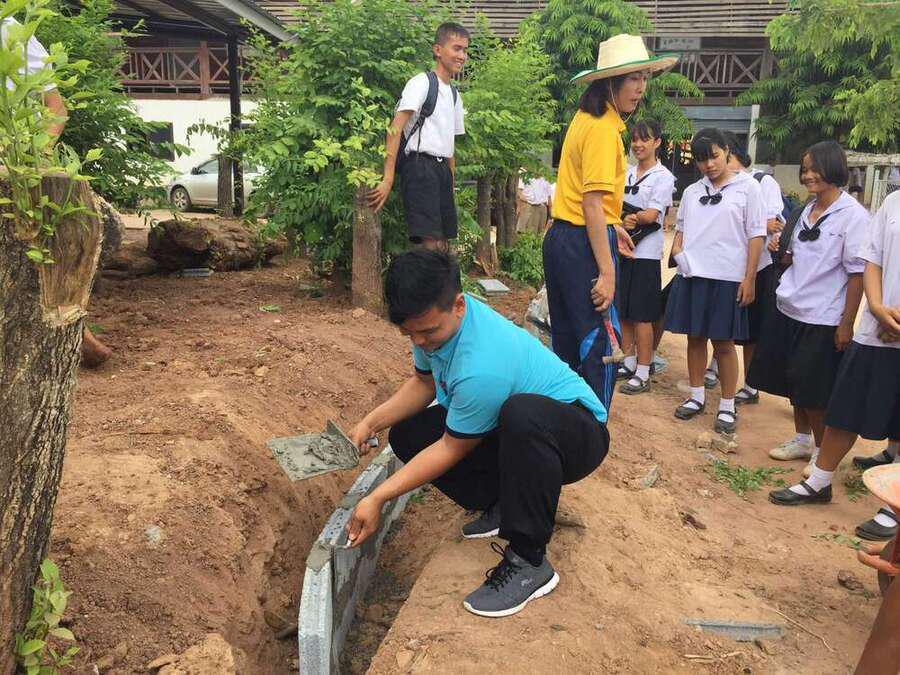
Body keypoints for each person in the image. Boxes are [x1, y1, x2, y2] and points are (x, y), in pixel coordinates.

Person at [344, 250, 611, 618]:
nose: (419, 341)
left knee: (521, 413)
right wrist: (371, 423)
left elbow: (451, 448)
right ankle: (503, 505)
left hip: (576, 434)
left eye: (427, 332)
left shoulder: (482, 365)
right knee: (407, 435)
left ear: (458, 305)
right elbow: (423, 384)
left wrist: (378, 497)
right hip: (521, 431)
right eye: (409, 333)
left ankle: (530, 561)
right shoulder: (436, 327)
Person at [542, 34, 677, 411]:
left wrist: (612, 225)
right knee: (599, 343)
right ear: (610, 82)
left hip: (563, 237)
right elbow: (591, 203)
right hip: (582, 242)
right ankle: (592, 424)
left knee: (568, 342)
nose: (641, 87)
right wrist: (607, 271)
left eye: (644, 77)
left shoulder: (585, 119)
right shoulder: (603, 130)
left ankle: (565, 421)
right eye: (633, 78)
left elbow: (583, 195)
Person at [768, 190, 897, 538]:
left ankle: (894, 507)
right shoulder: (893, 202)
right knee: (845, 409)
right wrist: (877, 308)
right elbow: (872, 261)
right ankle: (819, 482)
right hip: (875, 328)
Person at [749, 140, 868, 479]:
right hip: (790, 306)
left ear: (834, 168)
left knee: (815, 391)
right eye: (805, 169)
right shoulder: (805, 210)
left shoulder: (853, 216)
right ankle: (801, 439)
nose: (808, 175)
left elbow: (857, 274)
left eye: (815, 169)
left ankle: (821, 452)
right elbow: (793, 256)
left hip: (823, 315)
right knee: (793, 382)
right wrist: (781, 248)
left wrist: (846, 323)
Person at [664, 128, 766, 434]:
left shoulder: (748, 188)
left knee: (724, 343)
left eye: (714, 156)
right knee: (694, 338)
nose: (708, 164)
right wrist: (678, 253)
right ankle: (696, 396)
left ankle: (727, 404)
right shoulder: (693, 192)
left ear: (727, 151)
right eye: (701, 159)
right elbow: (681, 230)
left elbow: (756, 235)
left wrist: (749, 278)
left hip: (728, 278)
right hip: (694, 274)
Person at [367, 22, 468, 250]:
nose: (462, 56)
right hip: (420, 166)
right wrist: (388, 179)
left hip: (442, 171)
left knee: (444, 242)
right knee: (430, 242)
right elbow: (395, 129)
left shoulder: (454, 94)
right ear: (438, 50)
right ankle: (427, 275)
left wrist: (450, 182)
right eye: (456, 48)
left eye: (464, 50)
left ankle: (440, 276)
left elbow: (450, 144)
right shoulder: (422, 83)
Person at [614, 118, 675, 395]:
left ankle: (643, 370)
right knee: (624, 311)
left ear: (657, 142)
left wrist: (630, 217)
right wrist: (624, 218)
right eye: (635, 139)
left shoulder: (663, 177)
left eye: (645, 139)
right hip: (623, 250)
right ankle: (628, 361)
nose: (638, 144)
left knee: (642, 315)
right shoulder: (626, 173)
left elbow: (652, 215)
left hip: (646, 255)